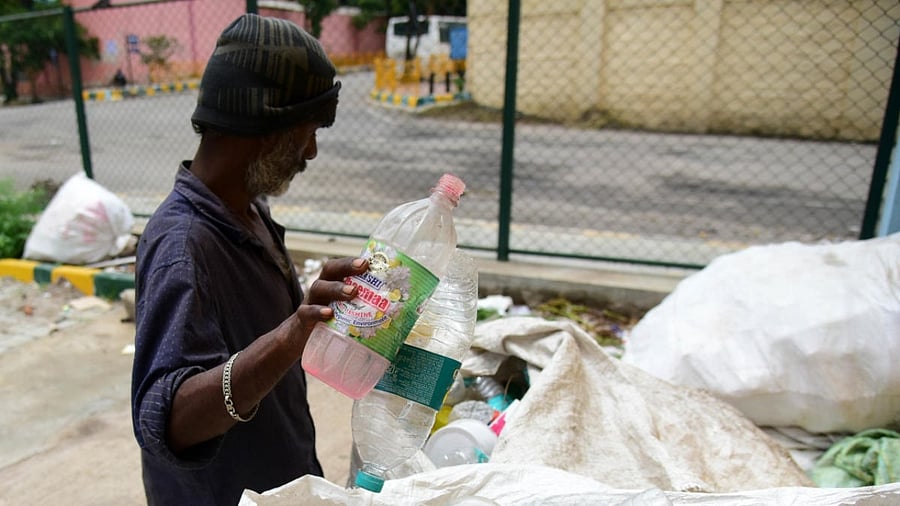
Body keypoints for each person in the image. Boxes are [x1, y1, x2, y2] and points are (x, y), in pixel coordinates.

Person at [130, 14, 367, 505]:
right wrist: (288, 337)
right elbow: (170, 419)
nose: (313, 151)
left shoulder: (249, 213)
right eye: (307, 132)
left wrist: (312, 315)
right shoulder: (183, 247)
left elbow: (258, 342)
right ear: (265, 128)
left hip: (281, 481)